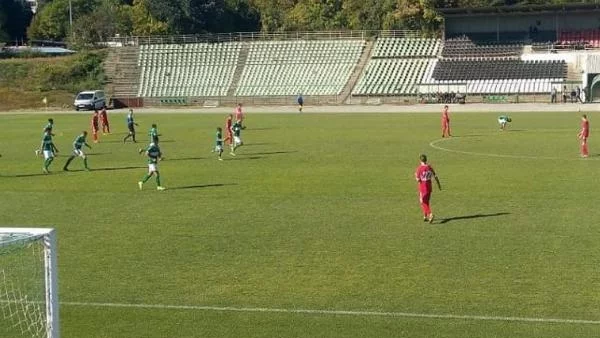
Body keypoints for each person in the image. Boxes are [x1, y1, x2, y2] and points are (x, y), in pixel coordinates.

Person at [414, 154, 441, 223]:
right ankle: (425, 216)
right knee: (426, 202)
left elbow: (418, 180)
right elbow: (435, 176)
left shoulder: (419, 168)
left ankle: (430, 214)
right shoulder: (429, 167)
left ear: (420, 160)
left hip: (422, 187)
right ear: (426, 160)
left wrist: (415, 176)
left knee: (423, 202)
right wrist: (439, 185)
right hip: (429, 187)